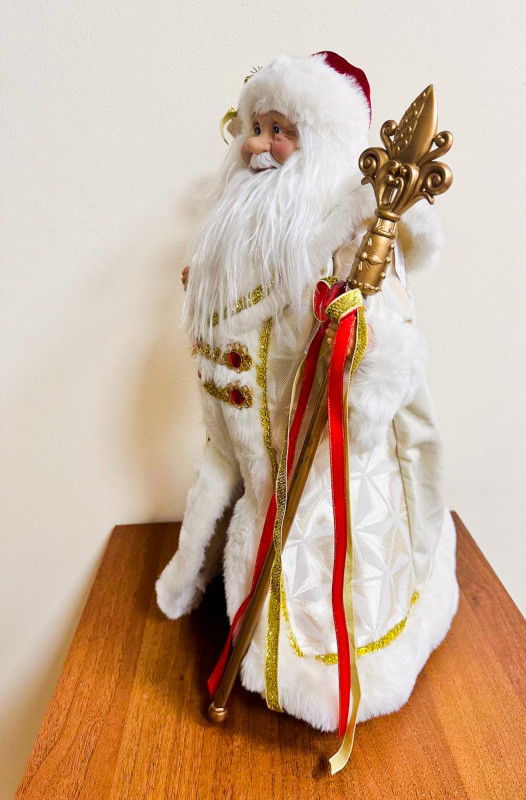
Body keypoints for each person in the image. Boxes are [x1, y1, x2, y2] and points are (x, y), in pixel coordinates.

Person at [156, 52, 458, 734]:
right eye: (255, 128)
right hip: (252, 442)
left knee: (323, 573)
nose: (259, 146)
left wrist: (357, 332)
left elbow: (390, 334)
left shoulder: (349, 230)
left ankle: (318, 675)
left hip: (321, 451)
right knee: (246, 515)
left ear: (319, 142)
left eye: (280, 131)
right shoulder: (244, 221)